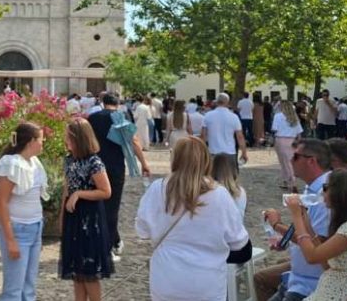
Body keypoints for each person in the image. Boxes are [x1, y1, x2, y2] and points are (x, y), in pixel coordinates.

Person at [136, 136, 250, 301]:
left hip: (167, 279)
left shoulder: (158, 189)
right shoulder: (219, 195)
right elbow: (240, 243)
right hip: (206, 282)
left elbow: (142, 231)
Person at [283, 169, 347, 301]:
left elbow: (311, 257)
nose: (322, 193)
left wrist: (296, 216)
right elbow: (326, 264)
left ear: (341, 193)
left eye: (326, 188)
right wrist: (306, 223)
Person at [258, 139, 332, 301]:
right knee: (259, 279)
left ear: (311, 161)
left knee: (261, 280)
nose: (291, 160)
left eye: (296, 157)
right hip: (298, 277)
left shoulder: (325, 193)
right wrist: (285, 240)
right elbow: (303, 227)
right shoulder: (312, 187)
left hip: (311, 284)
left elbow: (317, 242)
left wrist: (277, 225)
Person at [87, 94, 151, 262]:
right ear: (118, 104)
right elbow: (133, 142)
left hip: (95, 166)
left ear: (103, 103)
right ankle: (107, 247)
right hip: (115, 166)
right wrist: (143, 163)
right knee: (112, 207)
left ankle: (110, 241)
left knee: (97, 206)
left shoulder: (92, 118)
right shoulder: (121, 117)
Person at [0, 122, 47, 301]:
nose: (43, 143)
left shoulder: (34, 162)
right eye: (41, 139)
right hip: (17, 228)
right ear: (31, 141)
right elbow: (1, 201)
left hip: (35, 226)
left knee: (28, 287)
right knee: (13, 289)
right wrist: (10, 240)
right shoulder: (12, 164)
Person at [59, 118, 113, 301]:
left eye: (69, 137)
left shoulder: (94, 162)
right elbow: (66, 189)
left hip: (90, 220)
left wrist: (80, 194)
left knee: (89, 272)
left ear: (78, 138)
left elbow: (106, 191)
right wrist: (61, 218)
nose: (66, 140)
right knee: (77, 272)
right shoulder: (69, 160)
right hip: (73, 218)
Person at [201, 93, 248, 168]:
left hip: (213, 151)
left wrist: (202, 151)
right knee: (229, 174)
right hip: (229, 151)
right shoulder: (234, 117)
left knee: (213, 173)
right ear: (227, 102)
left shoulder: (207, 116)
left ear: (217, 102)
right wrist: (244, 152)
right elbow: (240, 137)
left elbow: (203, 135)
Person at [272, 100, 303, 192]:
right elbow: (299, 132)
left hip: (281, 139)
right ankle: (288, 181)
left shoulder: (278, 116)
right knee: (289, 162)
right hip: (292, 140)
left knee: (283, 162)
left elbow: (274, 129)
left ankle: (291, 182)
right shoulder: (294, 116)